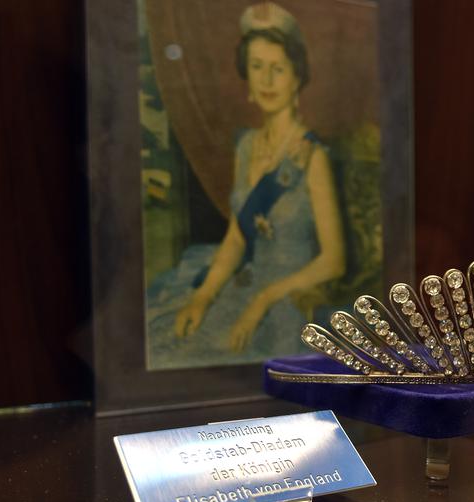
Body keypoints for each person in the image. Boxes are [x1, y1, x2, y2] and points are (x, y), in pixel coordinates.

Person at [147, 2, 345, 369]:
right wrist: (203, 297)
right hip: (243, 287)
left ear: (297, 76)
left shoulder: (312, 157)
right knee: (171, 342)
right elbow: (238, 237)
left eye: (278, 69)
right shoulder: (247, 147)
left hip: (287, 302)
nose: (267, 81)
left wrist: (265, 299)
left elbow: (333, 261)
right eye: (257, 67)